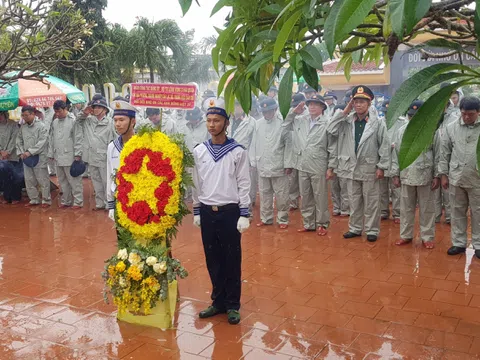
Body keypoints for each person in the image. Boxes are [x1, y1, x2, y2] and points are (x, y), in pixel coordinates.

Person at [192, 98, 250, 325]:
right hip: (207, 211)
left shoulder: (237, 152)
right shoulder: (199, 151)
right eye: (209, 120)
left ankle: (233, 305)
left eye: (217, 120)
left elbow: (244, 182)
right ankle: (218, 301)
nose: (212, 125)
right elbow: (196, 182)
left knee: (231, 258)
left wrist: (244, 213)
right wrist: (197, 210)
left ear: (226, 123)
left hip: (230, 212)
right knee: (212, 258)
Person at [327, 85, 390, 242]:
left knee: (371, 201)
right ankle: (355, 228)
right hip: (351, 167)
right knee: (354, 200)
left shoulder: (378, 123)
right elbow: (330, 129)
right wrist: (345, 111)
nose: (359, 104)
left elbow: (384, 145)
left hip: (369, 166)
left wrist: (382, 167)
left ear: (369, 104)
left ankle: (372, 230)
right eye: (356, 101)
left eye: (362, 102)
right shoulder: (347, 121)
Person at [391, 100, 440, 249]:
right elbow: (396, 154)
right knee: (406, 208)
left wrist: (437, 175)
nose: (413, 119)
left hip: (426, 175)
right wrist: (395, 174)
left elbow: (438, 154)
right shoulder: (401, 131)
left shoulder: (432, 131)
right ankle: (405, 235)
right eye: (410, 116)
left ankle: (427, 236)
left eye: (416, 116)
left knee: (427, 208)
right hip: (406, 174)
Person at [284, 95, 335, 235]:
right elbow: (285, 124)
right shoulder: (301, 120)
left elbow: (332, 147)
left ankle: (322, 224)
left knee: (320, 196)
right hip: (302, 163)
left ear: (322, 107)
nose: (312, 107)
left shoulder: (327, 123)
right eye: (310, 104)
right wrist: (294, 111)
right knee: (305, 196)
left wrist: (331, 167)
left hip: (318, 164)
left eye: (316, 104)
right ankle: (308, 223)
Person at [438, 96, 480, 258]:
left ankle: (478, 244)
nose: (467, 117)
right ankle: (458, 242)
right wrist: (443, 175)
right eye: (464, 114)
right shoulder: (451, 128)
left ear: (478, 112)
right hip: (456, 176)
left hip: (477, 177)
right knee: (456, 211)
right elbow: (444, 153)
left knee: (478, 212)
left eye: (471, 114)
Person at [251, 97, 291, 229]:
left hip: (279, 164)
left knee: (282, 194)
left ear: (275, 109)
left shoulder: (283, 123)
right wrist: (253, 161)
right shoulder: (258, 123)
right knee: (264, 193)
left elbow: (289, 144)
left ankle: (282, 218)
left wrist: (288, 164)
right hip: (262, 163)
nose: (266, 114)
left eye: (269, 111)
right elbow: (254, 143)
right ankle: (266, 218)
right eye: (264, 111)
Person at [76, 96, 115, 210]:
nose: (96, 109)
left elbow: (114, 139)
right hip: (92, 156)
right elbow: (77, 121)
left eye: (99, 107)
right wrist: (84, 112)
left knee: (106, 182)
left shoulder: (110, 123)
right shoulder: (88, 120)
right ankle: (100, 204)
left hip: (104, 157)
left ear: (105, 109)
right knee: (96, 182)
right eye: (95, 107)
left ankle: (109, 204)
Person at [48, 100, 84, 209]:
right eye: (55, 112)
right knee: (62, 181)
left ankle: (78, 201)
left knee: (74, 180)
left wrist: (78, 154)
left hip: (70, 156)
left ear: (65, 109)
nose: (57, 114)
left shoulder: (73, 121)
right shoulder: (55, 122)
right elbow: (51, 138)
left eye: (59, 111)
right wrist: (51, 153)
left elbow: (78, 138)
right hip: (58, 156)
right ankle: (66, 201)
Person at [107, 99, 138, 221]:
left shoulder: (142, 144)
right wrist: (111, 205)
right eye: (115, 120)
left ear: (133, 122)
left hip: (140, 200)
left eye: (121, 120)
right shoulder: (112, 147)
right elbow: (110, 176)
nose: (117, 124)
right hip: (120, 200)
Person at [16, 106, 51, 208]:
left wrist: (30, 152)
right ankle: (34, 199)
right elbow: (19, 140)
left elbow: (42, 142)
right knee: (29, 179)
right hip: (26, 157)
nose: (25, 117)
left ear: (33, 114)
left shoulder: (41, 126)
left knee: (42, 179)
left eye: (26, 115)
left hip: (39, 157)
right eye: (23, 115)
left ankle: (46, 199)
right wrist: (22, 152)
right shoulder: (23, 127)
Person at [227, 101, 256, 214]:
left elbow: (254, 143)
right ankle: (232, 209)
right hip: (228, 157)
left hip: (245, 157)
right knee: (230, 184)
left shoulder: (251, 122)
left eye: (238, 105)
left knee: (244, 185)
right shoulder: (227, 120)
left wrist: (252, 161)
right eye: (234, 105)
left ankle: (246, 210)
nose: (236, 108)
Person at [380, 99, 405, 223]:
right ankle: (383, 211)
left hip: (397, 158)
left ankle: (398, 213)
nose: (386, 114)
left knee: (396, 187)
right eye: (385, 112)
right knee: (382, 189)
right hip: (382, 159)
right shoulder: (378, 123)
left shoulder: (402, 122)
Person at [287, 93, 306, 211]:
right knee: (292, 181)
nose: (296, 108)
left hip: (305, 154)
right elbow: (285, 124)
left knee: (305, 183)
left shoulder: (309, 115)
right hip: (293, 152)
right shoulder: (291, 113)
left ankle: (306, 204)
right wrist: (293, 112)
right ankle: (293, 202)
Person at [0, 111, 22, 204]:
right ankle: (6, 196)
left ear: (5, 115)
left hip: (13, 155)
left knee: (16, 176)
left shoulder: (13, 124)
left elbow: (14, 139)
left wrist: (8, 152)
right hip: (1, 156)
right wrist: (1, 151)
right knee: (4, 176)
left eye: (0, 115)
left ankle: (15, 197)